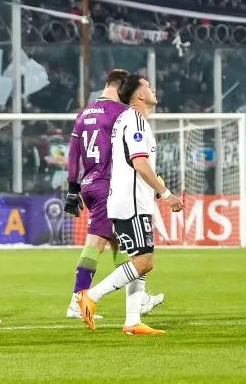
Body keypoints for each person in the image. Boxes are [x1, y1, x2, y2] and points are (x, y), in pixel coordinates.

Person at [78, 75, 182, 335]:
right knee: (144, 262)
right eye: (147, 86)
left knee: (139, 260)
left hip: (133, 199)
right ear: (138, 95)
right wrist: (166, 193)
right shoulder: (134, 120)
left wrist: (154, 189)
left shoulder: (126, 120)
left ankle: (133, 321)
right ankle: (90, 296)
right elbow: (139, 162)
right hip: (131, 201)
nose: (152, 89)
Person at [63, 69, 164, 321]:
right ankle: (78, 300)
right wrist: (158, 183)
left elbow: (73, 154)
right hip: (109, 185)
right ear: (120, 87)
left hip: (88, 183)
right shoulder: (123, 114)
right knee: (95, 243)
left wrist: (72, 190)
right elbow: (132, 153)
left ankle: (138, 301)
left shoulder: (84, 113)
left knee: (119, 243)